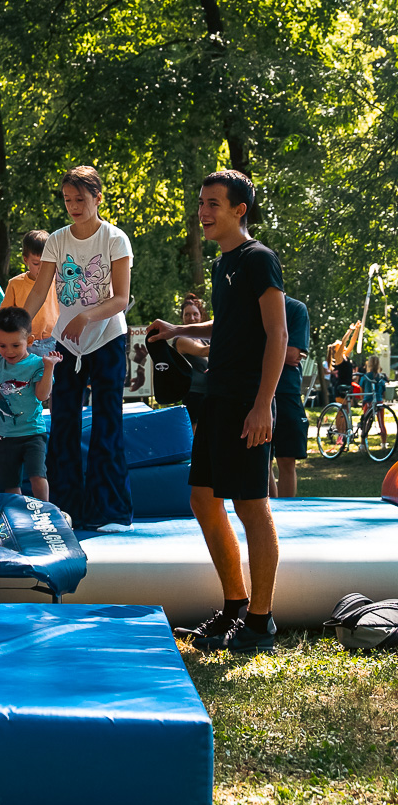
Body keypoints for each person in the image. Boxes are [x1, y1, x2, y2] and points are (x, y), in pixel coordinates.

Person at [149, 169, 287, 654]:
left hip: (249, 402)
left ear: (238, 211)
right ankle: (234, 605)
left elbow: (278, 334)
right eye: (201, 203)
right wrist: (175, 332)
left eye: (213, 204)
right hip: (218, 400)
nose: (203, 212)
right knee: (203, 500)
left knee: (252, 506)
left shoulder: (257, 259)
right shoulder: (225, 265)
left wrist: (263, 405)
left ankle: (261, 620)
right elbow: (230, 323)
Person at [23, 165, 134, 531]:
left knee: (107, 423)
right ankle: (66, 507)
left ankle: (111, 511)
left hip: (107, 339)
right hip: (66, 344)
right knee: (64, 422)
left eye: (80, 199)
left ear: (97, 198)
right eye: (67, 199)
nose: (73, 205)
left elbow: (120, 298)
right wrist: (19, 326)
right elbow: (39, 291)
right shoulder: (57, 239)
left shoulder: (115, 239)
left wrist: (86, 316)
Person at [0, 306, 61, 499]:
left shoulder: (38, 363)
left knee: (37, 475)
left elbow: (42, 395)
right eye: (2, 345)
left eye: (15, 345)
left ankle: (46, 510)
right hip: (5, 435)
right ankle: (18, 514)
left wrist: (49, 368)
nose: (9, 351)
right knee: (10, 482)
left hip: (32, 433)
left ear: (29, 341)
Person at [268, 296, 310, 499]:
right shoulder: (251, 306)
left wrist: (253, 349)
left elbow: (293, 354)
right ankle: (271, 514)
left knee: (286, 460)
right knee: (261, 462)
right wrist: (278, 350)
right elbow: (288, 354)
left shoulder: (295, 308)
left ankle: (286, 515)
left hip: (286, 392)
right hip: (254, 390)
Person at [0, 230, 60, 352]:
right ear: (25, 260)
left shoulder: (58, 282)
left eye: (46, 263)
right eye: (36, 263)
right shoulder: (15, 284)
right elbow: (4, 316)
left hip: (55, 341)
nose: (42, 268)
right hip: (27, 344)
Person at [174, 294, 210, 430]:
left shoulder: (205, 339)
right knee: (195, 438)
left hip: (209, 393)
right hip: (193, 395)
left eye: (195, 314)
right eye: (187, 315)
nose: (192, 318)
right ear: (182, 318)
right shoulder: (181, 339)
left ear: (201, 316)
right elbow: (202, 351)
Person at [360, 354, 389, 446]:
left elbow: (362, 390)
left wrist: (363, 400)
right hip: (379, 401)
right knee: (381, 423)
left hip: (368, 401)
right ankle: (384, 443)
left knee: (366, 423)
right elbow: (384, 391)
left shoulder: (365, 377)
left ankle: (363, 444)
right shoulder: (381, 377)